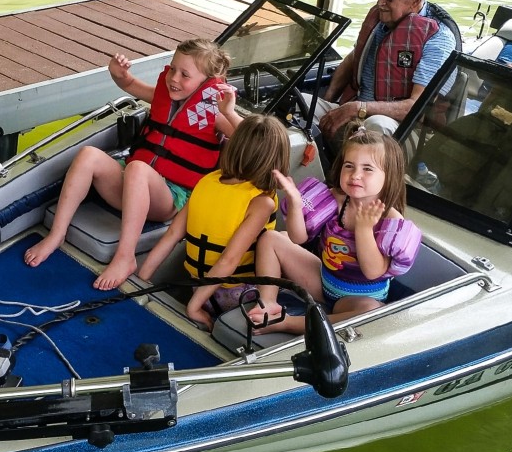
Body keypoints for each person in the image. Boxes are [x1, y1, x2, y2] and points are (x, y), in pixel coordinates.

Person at [24, 38, 242, 290]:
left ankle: (125, 257)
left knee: (138, 167)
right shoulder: (164, 95)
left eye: (185, 75)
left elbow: (252, 140)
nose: (174, 78)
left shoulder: (213, 113)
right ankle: (56, 234)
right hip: (131, 185)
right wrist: (118, 74)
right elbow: (130, 84)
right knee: (88, 154)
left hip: (169, 198)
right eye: (172, 69)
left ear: (206, 82)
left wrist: (230, 113)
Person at [250, 127, 421, 334]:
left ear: (388, 175)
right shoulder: (335, 198)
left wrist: (364, 229)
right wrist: (295, 203)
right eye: (349, 166)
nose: (355, 175)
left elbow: (373, 271)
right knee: (271, 238)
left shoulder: (390, 219)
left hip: (355, 301)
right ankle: (268, 303)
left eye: (368, 169)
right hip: (322, 281)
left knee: (373, 314)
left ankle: (287, 322)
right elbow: (298, 238)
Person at [136, 114, 290, 330]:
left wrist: (141, 279)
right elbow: (228, 260)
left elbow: (172, 235)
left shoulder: (207, 181)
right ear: (276, 160)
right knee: (282, 240)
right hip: (236, 296)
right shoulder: (261, 202)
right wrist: (193, 307)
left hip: (198, 286)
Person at [317, 0, 460, 137]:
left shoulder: (439, 39)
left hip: (405, 130)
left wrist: (358, 108)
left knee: (377, 125)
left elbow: (417, 107)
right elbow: (355, 57)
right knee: (304, 105)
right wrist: (328, 101)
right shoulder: (382, 19)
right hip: (359, 110)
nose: (380, 2)